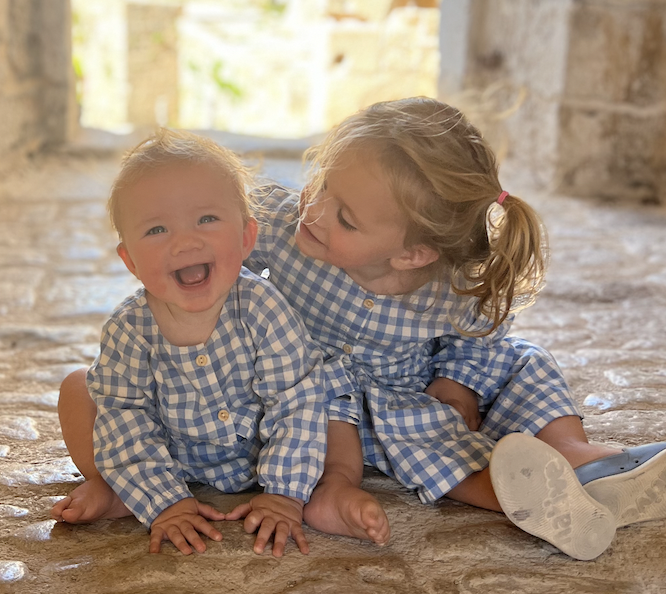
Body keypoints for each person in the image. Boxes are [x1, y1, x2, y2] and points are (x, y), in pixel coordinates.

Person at [244, 96, 666, 561]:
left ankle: (576, 454)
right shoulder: (280, 226)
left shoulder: (449, 284)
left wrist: (458, 382)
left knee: (523, 358)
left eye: (345, 218)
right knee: (421, 434)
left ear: (412, 254)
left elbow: (482, 336)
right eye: (321, 183)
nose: (315, 210)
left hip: (413, 379)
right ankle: (519, 496)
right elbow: (223, 236)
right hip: (321, 390)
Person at [51, 128, 328, 558]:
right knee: (78, 390)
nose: (185, 241)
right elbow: (125, 420)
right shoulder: (129, 328)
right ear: (130, 261)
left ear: (246, 238)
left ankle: (135, 494)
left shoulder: (263, 307)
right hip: (168, 458)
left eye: (206, 219)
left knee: (318, 401)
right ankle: (124, 491)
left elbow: (296, 402)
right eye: (158, 228)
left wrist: (285, 493)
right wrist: (164, 500)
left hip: (258, 459)